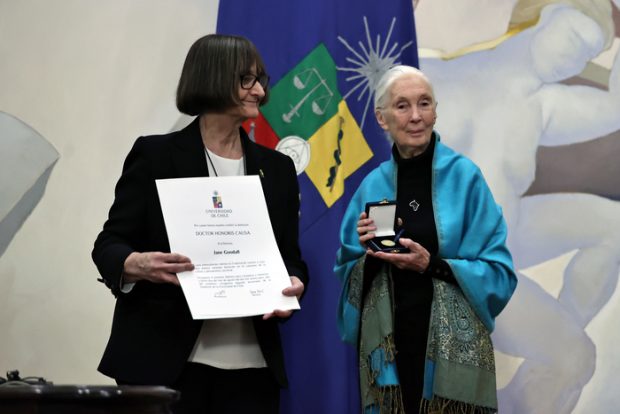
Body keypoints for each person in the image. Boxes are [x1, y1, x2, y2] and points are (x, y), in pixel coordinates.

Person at [91, 34, 308, 414]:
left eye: (260, 80)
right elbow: (109, 244)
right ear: (213, 78)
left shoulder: (277, 169)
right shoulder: (155, 155)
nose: (259, 90)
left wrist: (293, 283)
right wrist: (135, 264)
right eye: (247, 80)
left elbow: (291, 257)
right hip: (165, 364)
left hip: (252, 369)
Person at [334, 65, 517, 413]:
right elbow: (346, 273)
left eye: (425, 104)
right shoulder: (372, 185)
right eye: (402, 106)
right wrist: (365, 253)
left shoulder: (466, 178)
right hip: (391, 347)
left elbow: (499, 272)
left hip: (453, 352)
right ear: (382, 118)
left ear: (435, 110)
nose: (416, 116)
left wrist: (430, 264)